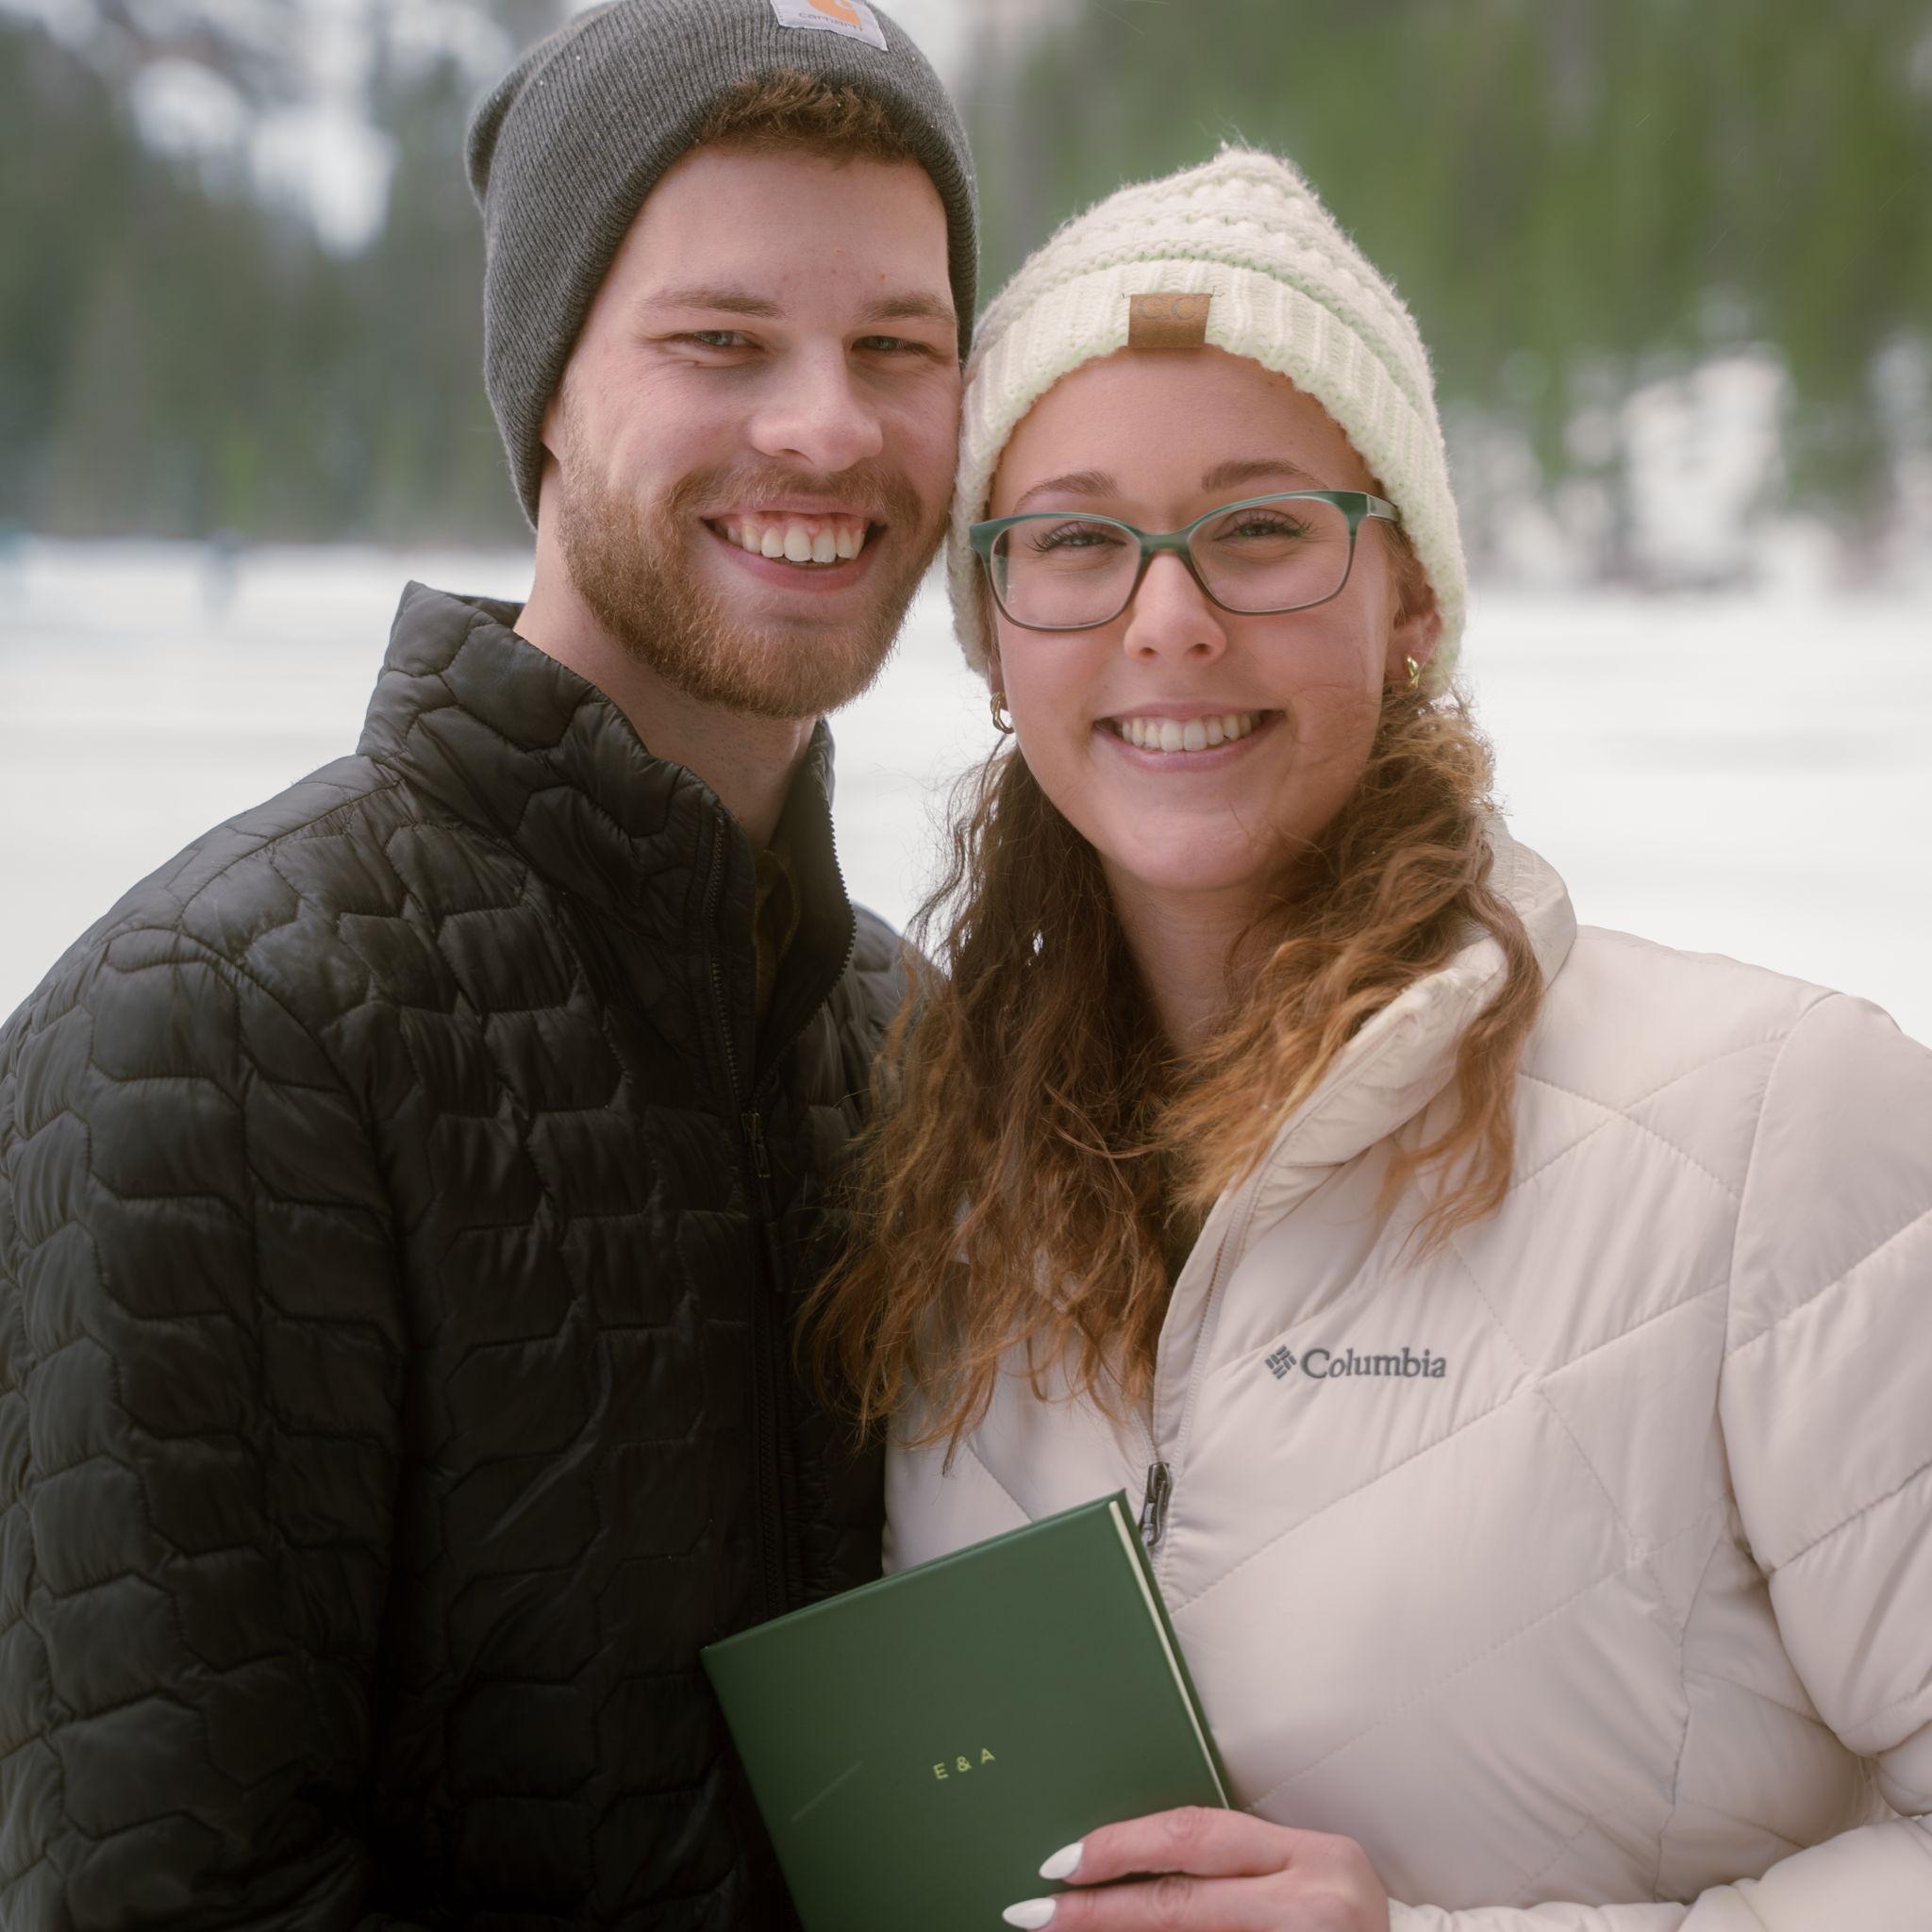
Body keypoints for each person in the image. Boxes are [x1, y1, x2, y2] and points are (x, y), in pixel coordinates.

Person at [817, 149, 1932, 1929]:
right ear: (996, 632)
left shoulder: (1775, 1127)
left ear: (1408, 596)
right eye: (1077, 541)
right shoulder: (960, 1181)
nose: (1168, 618)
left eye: (1261, 528)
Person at [0, 1, 974, 1923]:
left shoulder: (903, 1032)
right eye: (719, 341)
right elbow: (171, 1888)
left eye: (899, 347)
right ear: (543, 392)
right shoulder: (220, 1029)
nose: (827, 427)